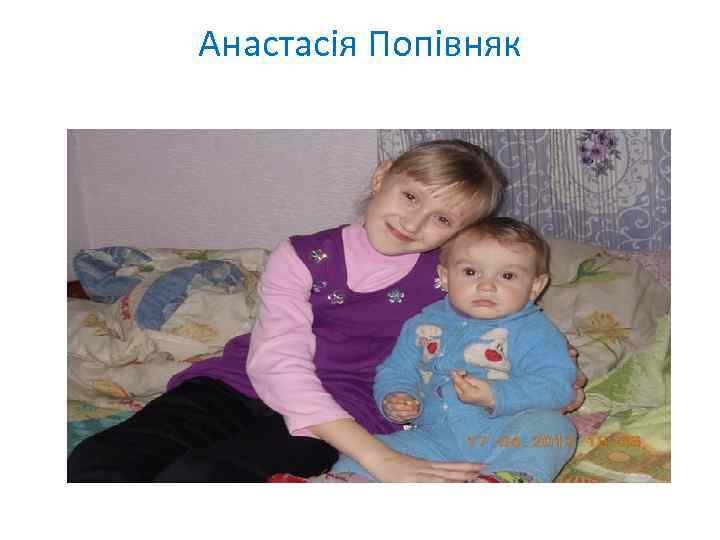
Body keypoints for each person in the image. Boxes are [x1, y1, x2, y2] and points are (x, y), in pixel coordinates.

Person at [68, 140, 585, 482]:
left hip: (347, 414)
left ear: (459, 236)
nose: (413, 223)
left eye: (442, 219)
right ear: (382, 176)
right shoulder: (301, 255)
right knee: (100, 461)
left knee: (204, 478)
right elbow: (277, 361)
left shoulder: (449, 276)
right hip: (237, 385)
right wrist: (381, 459)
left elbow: (512, 330)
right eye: (410, 196)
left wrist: (561, 380)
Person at [328, 217, 578, 482]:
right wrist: (397, 396)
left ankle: (506, 478)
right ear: (445, 277)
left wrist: (495, 395)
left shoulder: (535, 331)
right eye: (470, 272)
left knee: (555, 430)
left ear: (535, 286)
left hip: (504, 434)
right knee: (364, 452)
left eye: (507, 276)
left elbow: (557, 386)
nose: (486, 285)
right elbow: (396, 370)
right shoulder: (421, 325)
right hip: (433, 439)